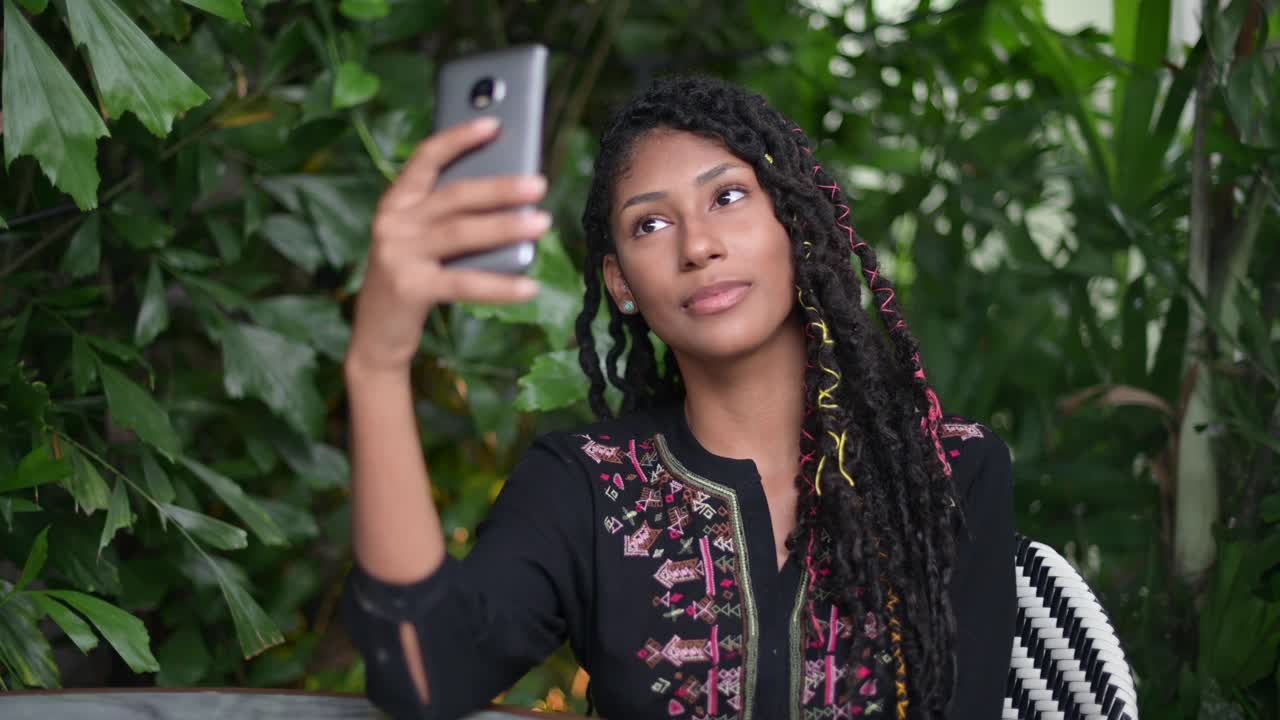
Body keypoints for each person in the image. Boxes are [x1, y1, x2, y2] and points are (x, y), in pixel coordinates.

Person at [341, 75, 1015, 720]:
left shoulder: (949, 471)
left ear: (796, 222)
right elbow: (423, 675)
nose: (698, 246)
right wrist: (377, 365)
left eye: (727, 198)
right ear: (621, 284)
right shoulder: (584, 488)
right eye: (651, 226)